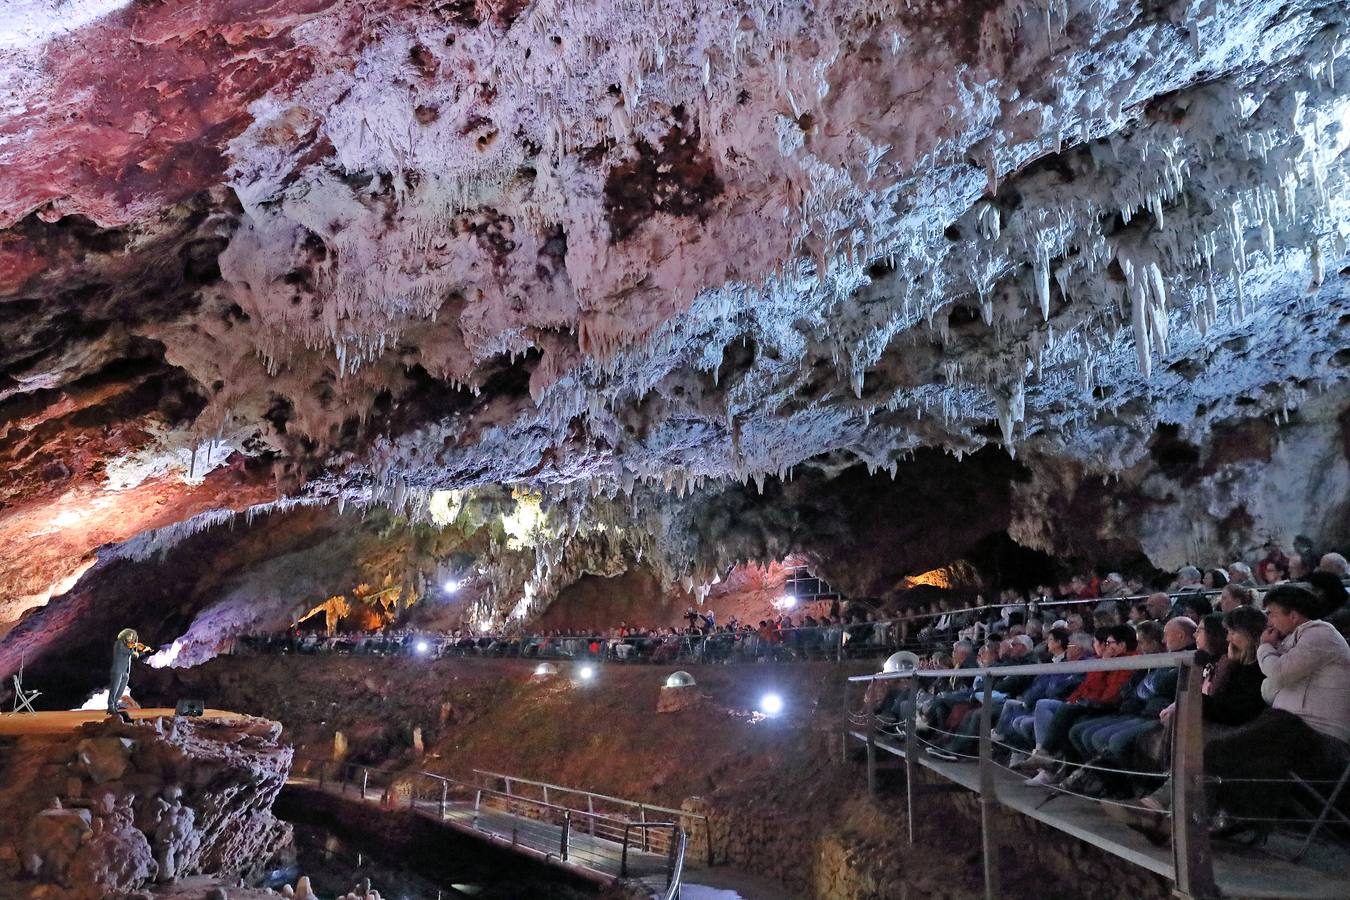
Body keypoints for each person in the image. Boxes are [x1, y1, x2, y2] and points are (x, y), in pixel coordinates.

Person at [1203, 585, 1350, 833]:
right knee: (1224, 743)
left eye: (1271, 613)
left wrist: (1264, 647)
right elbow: (1268, 690)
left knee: (1227, 745)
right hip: (1294, 732)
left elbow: (1277, 675)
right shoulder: (1291, 642)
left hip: (1322, 740)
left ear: (1293, 615)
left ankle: (1212, 814)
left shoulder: (1319, 635)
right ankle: (1225, 813)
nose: (1267, 621)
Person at [108, 628, 150, 716]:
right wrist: (134, 648)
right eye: (129, 636)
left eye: (132, 636)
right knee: (115, 688)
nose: (131, 638)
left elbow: (135, 656)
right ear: (124, 636)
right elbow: (126, 651)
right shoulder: (119, 643)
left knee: (121, 688)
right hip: (117, 670)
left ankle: (115, 704)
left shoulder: (128, 646)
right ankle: (111, 706)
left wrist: (142, 651)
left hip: (125, 671)